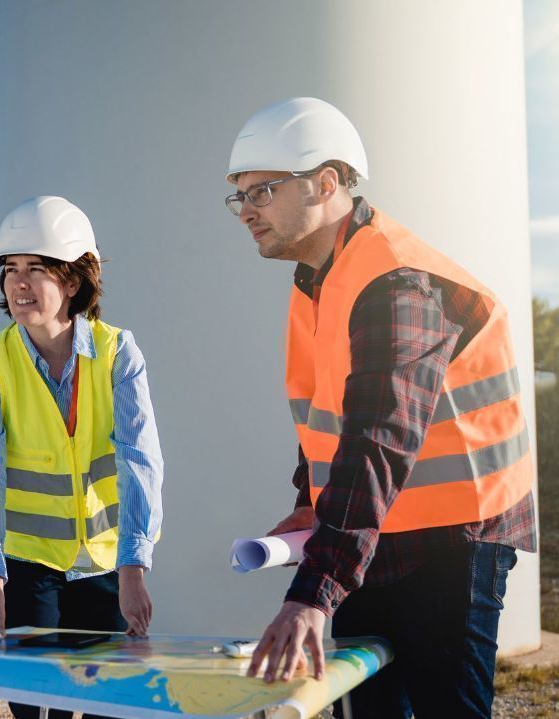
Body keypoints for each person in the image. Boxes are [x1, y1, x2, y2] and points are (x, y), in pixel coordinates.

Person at [224, 97, 538, 718]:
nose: (246, 212)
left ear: (326, 183)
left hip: (455, 538)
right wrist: (307, 504)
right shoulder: (319, 278)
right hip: (377, 528)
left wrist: (314, 592)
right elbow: (327, 413)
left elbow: (378, 438)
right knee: (370, 706)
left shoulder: (396, 284)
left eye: (262, 191)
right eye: (239, 196)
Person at [0, 195, 164, 719]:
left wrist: (134, 567)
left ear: (72, 282)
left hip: (104, 565)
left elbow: (141, 459)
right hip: (29, 567)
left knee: (104, 709)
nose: (19, 283)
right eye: (11, 269)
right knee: (32, 709)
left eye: (37, 269)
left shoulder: (119, 353)